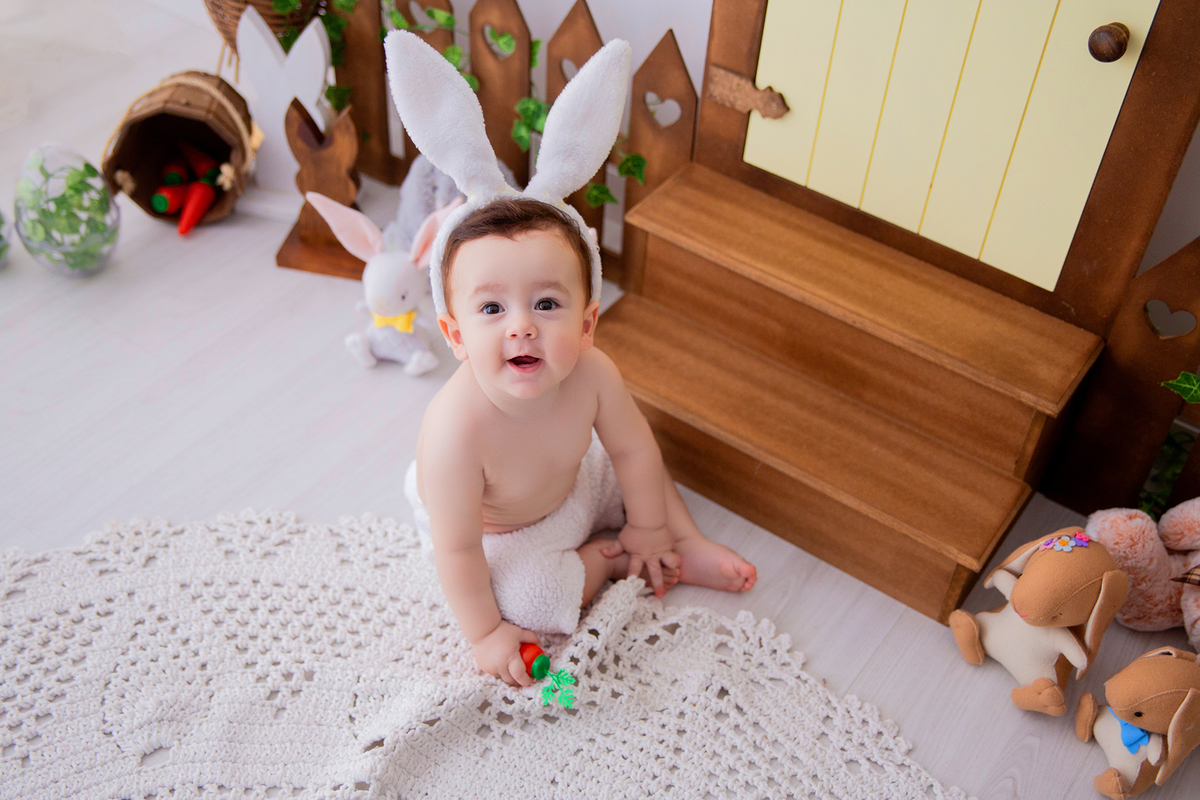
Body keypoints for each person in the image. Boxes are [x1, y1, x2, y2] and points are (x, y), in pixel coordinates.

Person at [406, 197, 757, 688]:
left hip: (574, 479)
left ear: (587, 324)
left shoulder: (593, 374)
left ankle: (682, 542)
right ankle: (606, 562)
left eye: (546, 304)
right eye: (491, 308)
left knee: (641, 469)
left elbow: (632, 450)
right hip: (498, 529)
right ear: (456, 334)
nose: (521, 326)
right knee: (531, 600)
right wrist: (486, 635)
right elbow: (458, 550)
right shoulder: (454, 432)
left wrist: (651, 526)